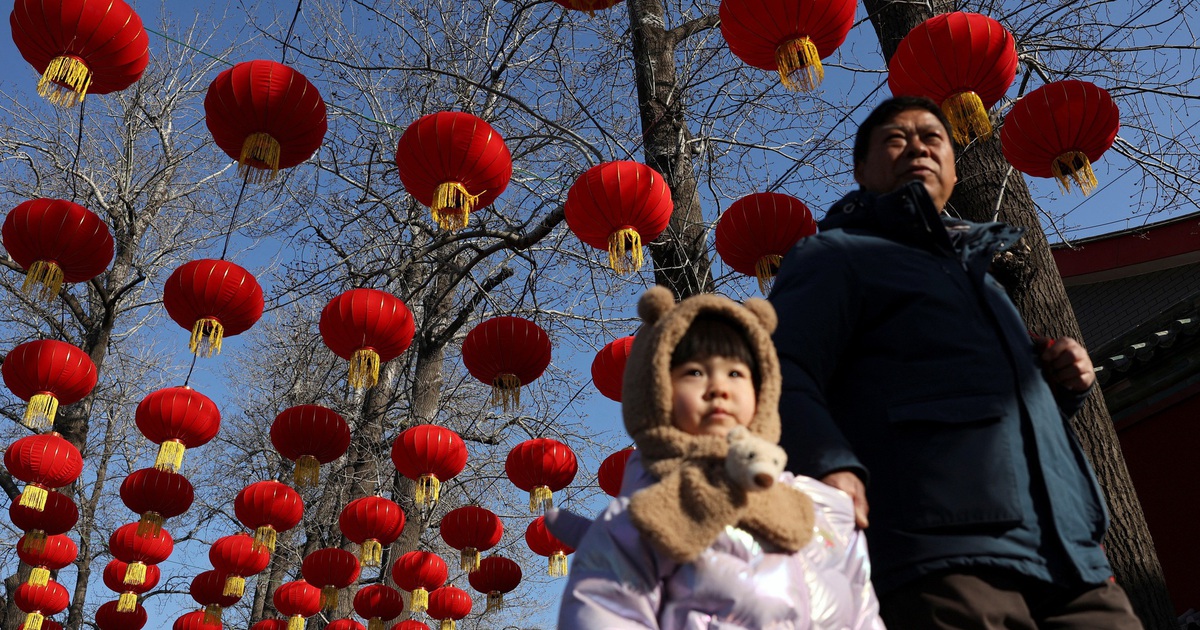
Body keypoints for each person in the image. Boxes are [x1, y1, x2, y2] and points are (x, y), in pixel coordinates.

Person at [769, 96, 1142, 628]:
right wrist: (827, 462)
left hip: (1071, 556)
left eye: (933, 137)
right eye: (895, 138)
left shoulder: (982, 278)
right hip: (935, 553)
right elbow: (779, 369)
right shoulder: (834, 256)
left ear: (954, 166)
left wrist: (1060, 384)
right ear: (860, 170)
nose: (917, 145)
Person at [558, 286, 885, 629]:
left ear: (765, 388)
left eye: (736, 373)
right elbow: (604, 614)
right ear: (654, 390)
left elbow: (864, 611)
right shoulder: (641, 519)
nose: (719, 388)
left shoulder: (820, 507)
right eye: (694, 372)